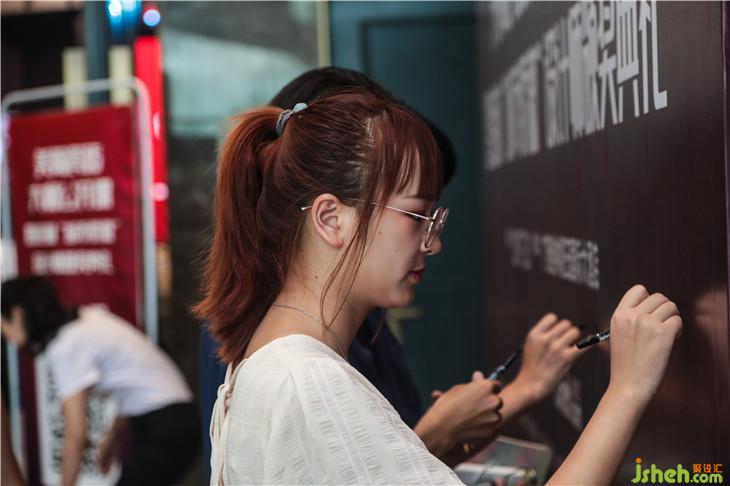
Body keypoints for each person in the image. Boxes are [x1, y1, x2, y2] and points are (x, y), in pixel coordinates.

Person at [195, 89, 682, 484]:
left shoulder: (271, 360)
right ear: (330, 218)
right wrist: (628, 388)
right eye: (416, 216)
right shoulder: (310, 382)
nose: (432, 243)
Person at [0, 277, 200, 486]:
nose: (7, 338)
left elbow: (75, 436)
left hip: (167, 425)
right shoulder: (84, 321)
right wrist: (113, 437)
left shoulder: (66, 345)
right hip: (170, 420)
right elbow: (134, 383)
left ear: (17, 314)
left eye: (3, 326)